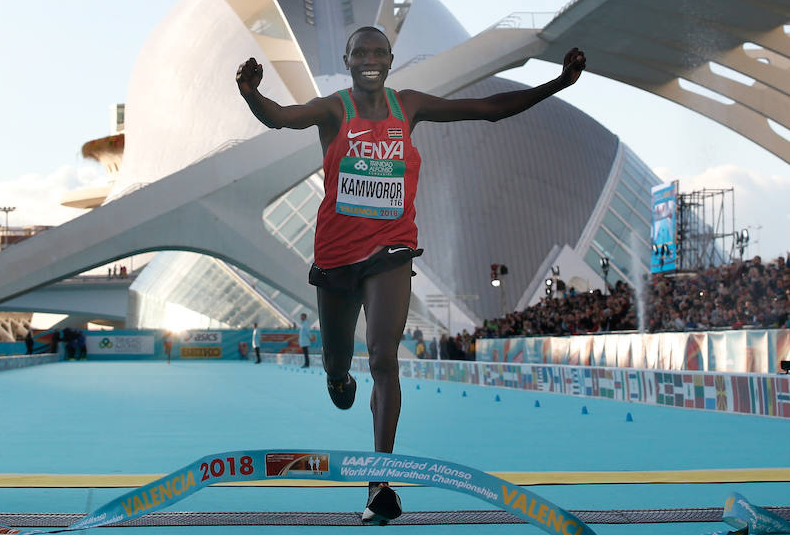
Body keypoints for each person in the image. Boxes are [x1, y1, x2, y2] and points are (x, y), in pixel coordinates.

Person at [236, 26, 585, 524]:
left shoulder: (409, 106)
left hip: (392, 250)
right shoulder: (334, 109)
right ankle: (337, 379)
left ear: (391, 58)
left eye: (380, 52)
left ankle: (380, 481)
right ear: (348, 59)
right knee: (339, 364)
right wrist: (252, 94)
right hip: (336, 256)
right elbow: (281, 118)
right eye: (362, 52)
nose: (371, 59)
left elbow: (486, 111)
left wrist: (557, 84)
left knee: (383, 357)